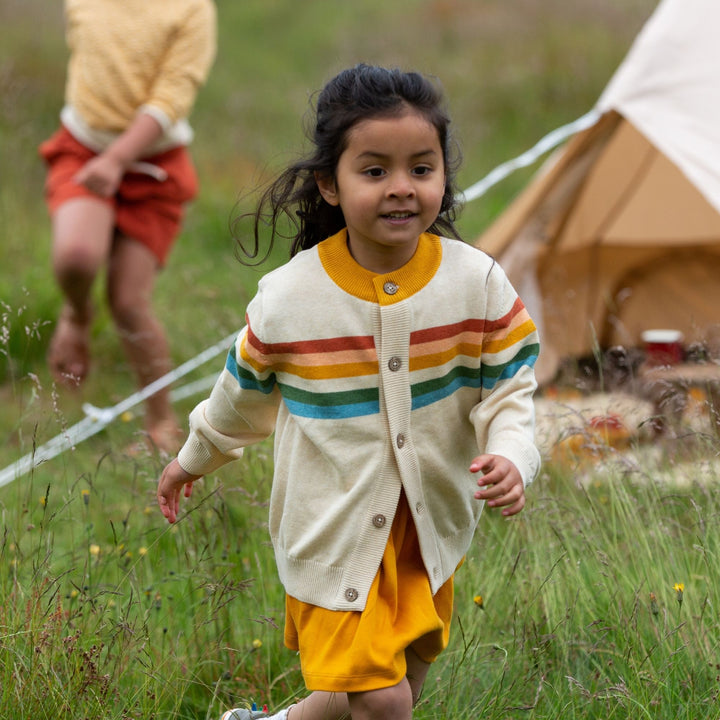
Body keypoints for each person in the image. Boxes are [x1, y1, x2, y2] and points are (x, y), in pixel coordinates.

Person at [157, 64, 541, 720]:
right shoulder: (290, 299)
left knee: (393, 690)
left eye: (421, 169)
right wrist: (193, 457)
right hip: (332, 533)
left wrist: (513, 455)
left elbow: (510, 386)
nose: (401, 189)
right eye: (374, 171)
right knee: (386, 704)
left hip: (429, 532)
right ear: (328, 185)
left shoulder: (474, 282)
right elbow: (238, 398)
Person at [39, 0, 216, 453]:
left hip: (152, 164)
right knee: (77, 257)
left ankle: (161, 424)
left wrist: (119, 158)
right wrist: (103, 155)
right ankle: (77, 314)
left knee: (128, 301)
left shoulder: (191, 10)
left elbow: (172, 97)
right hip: (84, 148)